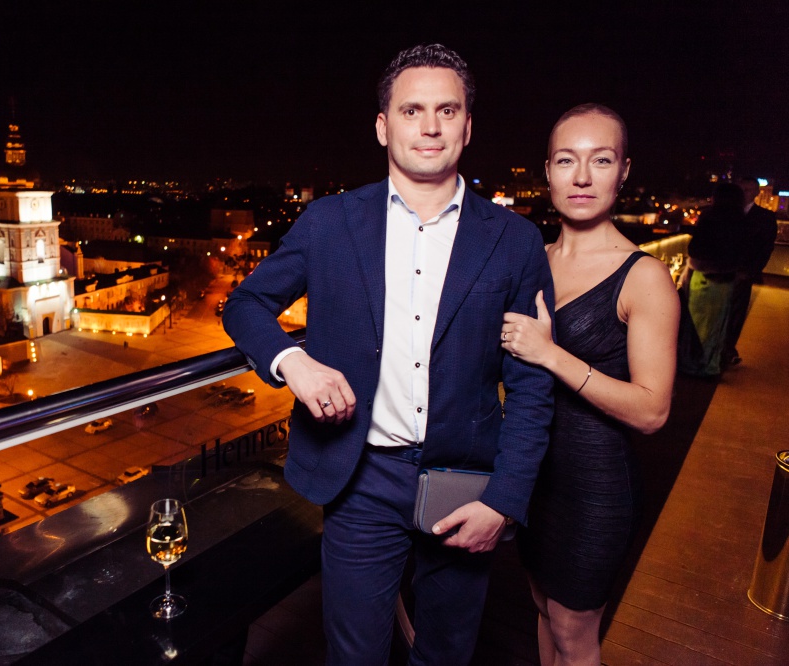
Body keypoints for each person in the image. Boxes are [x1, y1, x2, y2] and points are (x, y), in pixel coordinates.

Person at [223, 44, 555, 665]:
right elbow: (244, 306)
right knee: (354, 656)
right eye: (411, 110)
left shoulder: (515, 240)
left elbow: (533, 387)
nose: (430, 127)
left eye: (446, 110)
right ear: (383, 126)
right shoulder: (328, 222)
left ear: (467, 126)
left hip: (467, 484)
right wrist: (293, 362)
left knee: (447, 654)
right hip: (362, 481)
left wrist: (504, 500)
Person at [502, 104, 680, 666]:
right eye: (566, 160)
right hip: (534, 477)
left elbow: (652, 412)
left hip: (596, 487)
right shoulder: (534, 261)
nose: (581, 177)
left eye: (600, 160)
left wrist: (550, 355)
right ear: (547, 172)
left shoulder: (644, 276)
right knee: (541, 607)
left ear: (623, 171)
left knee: (574, 634)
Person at [680, 183, 747, 377]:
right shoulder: (741, 220)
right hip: (726, 279)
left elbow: (695, 248)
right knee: (717, 325)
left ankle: (693, 365)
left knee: (696, 323)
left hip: (704, 277)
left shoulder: (709, 217)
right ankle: (710, 365)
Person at [722, 176, 778, 366]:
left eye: (748, 190)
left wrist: (750, 271)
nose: (744, 193)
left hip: (743, 273)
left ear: (756, 193)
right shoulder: (726, 214)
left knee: (736, 314)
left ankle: (728, 350)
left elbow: (766, 248)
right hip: (720, 272)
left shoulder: (765, 217)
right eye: (741, 189)